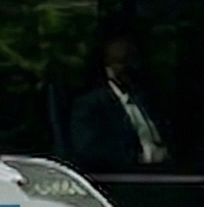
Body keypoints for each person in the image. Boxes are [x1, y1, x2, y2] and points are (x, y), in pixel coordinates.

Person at [68, 34, 169, 173]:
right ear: (108, 67)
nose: (130, 67)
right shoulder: (91, 105)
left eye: (133, 61)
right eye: (122, 62)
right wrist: (143, 157)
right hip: (126, 179)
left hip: (166, 172)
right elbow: (89, 150)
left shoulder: (146, 99)